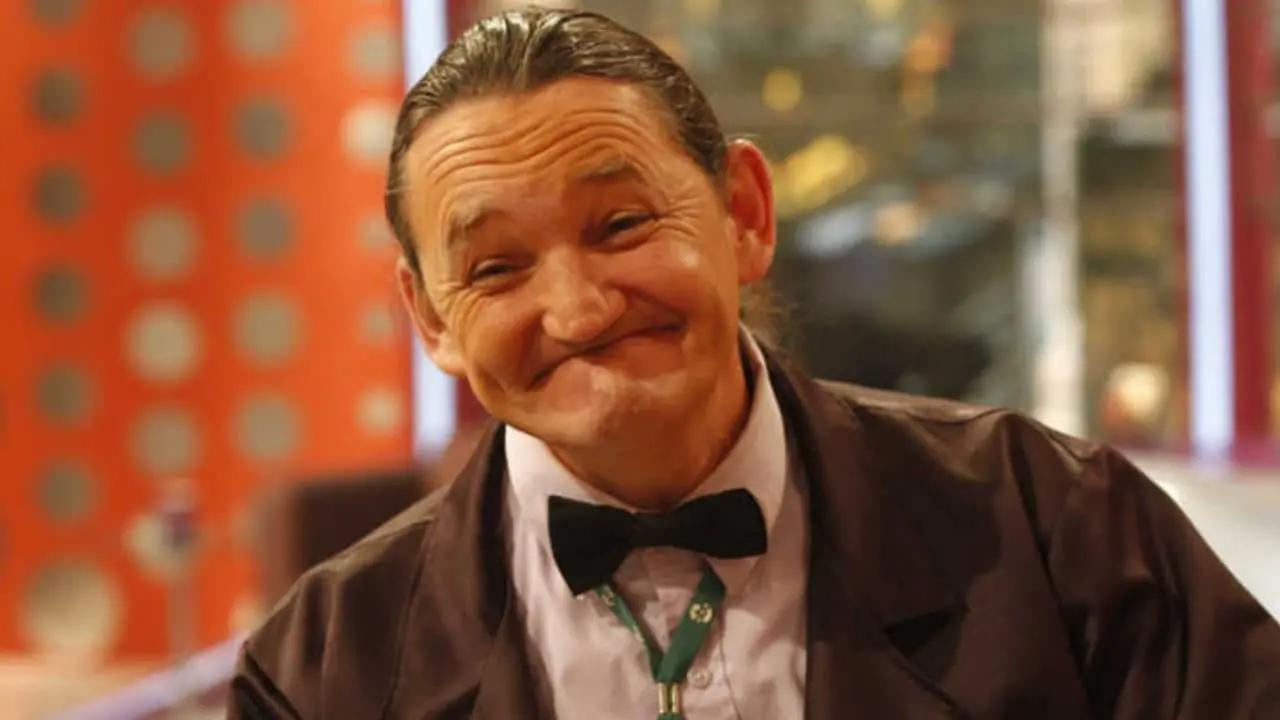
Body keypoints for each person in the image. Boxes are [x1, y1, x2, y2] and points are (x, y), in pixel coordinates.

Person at [228, 8, 1280, 719]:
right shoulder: (326, 666)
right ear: (431, 318)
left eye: (622, 224)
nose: (578, 309)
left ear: (743, 214)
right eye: (497, 268)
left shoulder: (1057, 529)